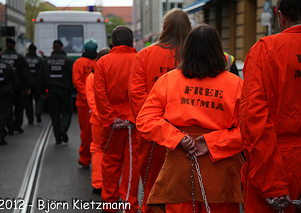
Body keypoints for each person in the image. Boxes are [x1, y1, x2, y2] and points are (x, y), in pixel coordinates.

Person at [136, 24, 244, 213]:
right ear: (218, 50)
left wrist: (179, 139)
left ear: (187, 50)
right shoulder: (236, 84)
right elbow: (250, 130)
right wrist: (212, 143)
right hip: (220, 170)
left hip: (180, 166)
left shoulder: (168, 80)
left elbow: (145, 119)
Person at [239, 0, 301, 212]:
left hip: (279, 166)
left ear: (280, 16)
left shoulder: (266, 50)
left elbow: (252, 119)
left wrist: (271, 182)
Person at [129, 8, 191, 213]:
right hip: (185, 136)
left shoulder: (146, 55)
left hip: (153, 136)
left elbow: (137, 94)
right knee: (182, 189)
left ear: (164, 28)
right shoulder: (192, 56)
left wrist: (154, 125)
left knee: (151, 184)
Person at [94, 26, 139, 212]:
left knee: (111, 162)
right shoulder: (140, 60)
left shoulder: (103, 62)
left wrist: (111, 118)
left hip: (111, 123)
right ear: (132, 42)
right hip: (134, 122)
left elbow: (100, 93)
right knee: (132, 164)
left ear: (112, 42)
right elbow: (142, 91)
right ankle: (130, 204)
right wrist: (135, 116)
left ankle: (110, 204)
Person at [85, 47, 110, 194]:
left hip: (97, 120)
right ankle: (110, 184)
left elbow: (91, 100)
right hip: (113, 121)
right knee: (112, 153)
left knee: (97, 149)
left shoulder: (91, 77)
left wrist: (101, 116)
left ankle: (97, 183)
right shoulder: (112, 75)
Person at [41, 40, 73, 144]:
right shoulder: (68, 61)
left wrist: (42, 91)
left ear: (53, 48)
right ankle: (63, 128)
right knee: (67, 111)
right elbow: (72, 76)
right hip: (64, 91)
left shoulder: (46, 61)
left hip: (51, 91)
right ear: (62, 48)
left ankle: (57, 137)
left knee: (54, 114)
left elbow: (41, 77)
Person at [72, 38, 98, 168]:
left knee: (86, 132)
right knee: (98, 133)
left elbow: (77, 82)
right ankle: (98, 157)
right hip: (98, 103)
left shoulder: (78, 63)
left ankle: (85, 158)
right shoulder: (100, 61)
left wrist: (86, 95)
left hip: (83, 104)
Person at [2, 38, 30, 134]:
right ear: (14, 46)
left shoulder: (1, 57)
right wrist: (27, 86)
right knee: (19, 106)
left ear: (6, 45)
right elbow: (25, 73)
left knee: (7, 107)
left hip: (4, 87)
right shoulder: (20, 58)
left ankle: (9, 125)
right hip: (18, 86)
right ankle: (18, 125)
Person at [25, 43, 43, 124]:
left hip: (27, 83)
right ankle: (38, 111)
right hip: (37, 83)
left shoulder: (24, 59)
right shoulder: (39, 60)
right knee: (38, 99)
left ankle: (30, 119)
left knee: (28, 102)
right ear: (35, 51)